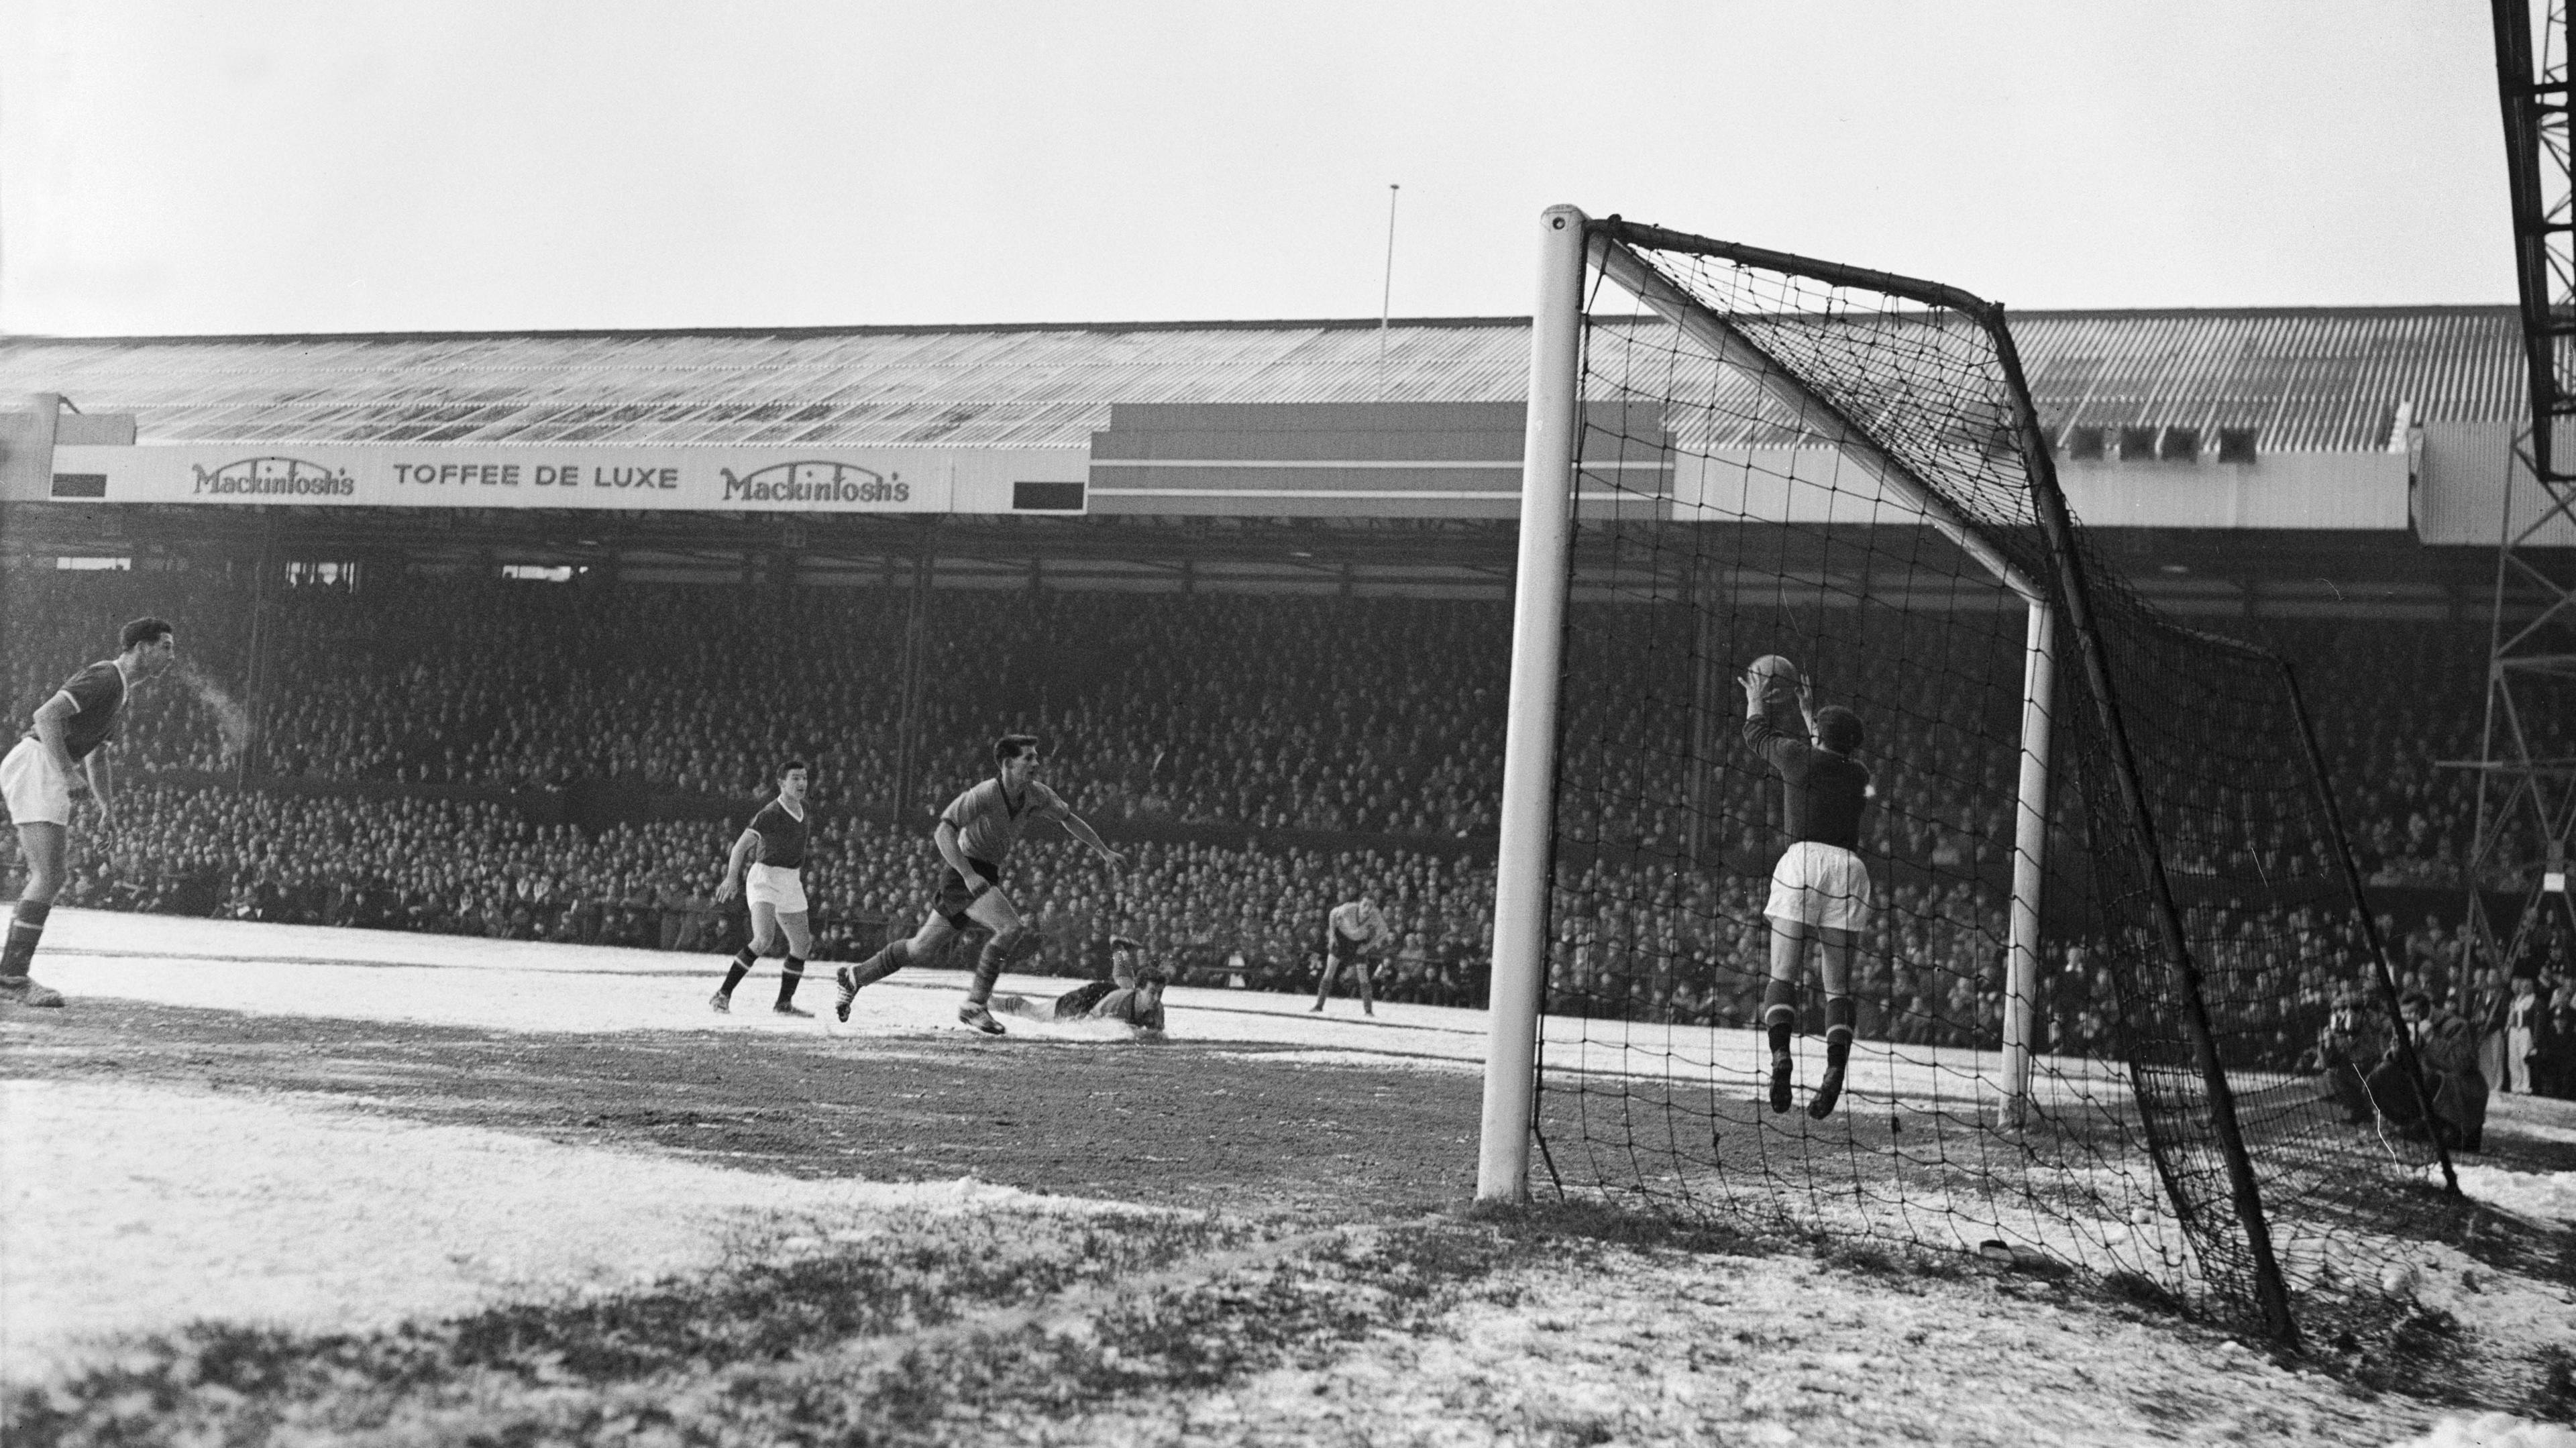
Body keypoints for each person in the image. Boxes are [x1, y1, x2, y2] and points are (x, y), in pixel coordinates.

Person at [835, 734, 1124, 1036]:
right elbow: (943, 832)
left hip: (983, 872)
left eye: (1036, 757)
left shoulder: (1036, 794)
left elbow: (1068, 818)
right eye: (1029, 758)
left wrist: (1103, 850)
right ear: (1008, 764)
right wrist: (969, 874)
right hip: (966, 871)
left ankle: (856, 976)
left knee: (921, 949)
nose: (1037, 763)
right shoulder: (984, 794)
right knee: (1011, 928)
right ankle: (975, 1005)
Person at [1, 616, 178, 1007]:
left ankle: (10, 974)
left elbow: (98, 759)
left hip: (44, 763)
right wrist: (66, 770)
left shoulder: (122, 693)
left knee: (49, 874)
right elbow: (45, 716)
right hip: (39, 760)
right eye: (165, 646)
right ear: (141, 647)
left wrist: (107, 811)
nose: (171, 656)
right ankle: (11, 977)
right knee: (48, 873)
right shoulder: (106, 677)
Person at [1741, 664, 1874, 1119]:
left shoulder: (1797, 757)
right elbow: (1829, 752)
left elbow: (1755, 734)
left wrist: (1756, 698)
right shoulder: (1858, 773)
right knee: (1837, 984)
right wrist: (1810, 715)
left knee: (1784, 972)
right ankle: (1834, 1068)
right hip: (1848, 869)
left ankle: (1781, 1056)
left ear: (1817, 733)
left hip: (1802, 863)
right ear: (1853, 744)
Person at [710, 761, 820, 1015]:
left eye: (804, 778)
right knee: (763, 939)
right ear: (781, 783)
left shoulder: (804, 811)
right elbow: (740, 847)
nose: (802, 783)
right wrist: (731, 878)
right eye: (795, 778)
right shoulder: (770, 813)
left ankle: (783, 1003)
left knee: (802, 946)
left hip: (791, 880)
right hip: (765, 878)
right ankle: (722, 994)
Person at [2367, 989, 2490, 1153]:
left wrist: (2431, 1039)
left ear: (2422, 1012)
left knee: (2435, 1078)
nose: (2406, 1019)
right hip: (2429, 1097)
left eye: (2410, 1014)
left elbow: (2460, 1063)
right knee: (2382, 1074)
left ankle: (2444, 1130)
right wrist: (2395, 1054)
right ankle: (2409, 1124)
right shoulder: (2408, 1027)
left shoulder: (2455, 1025)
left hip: (2460, 1103)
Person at [1313, 891, 1394, 1016]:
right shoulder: (1348, 908)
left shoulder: (1376, 916)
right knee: (1329, 971)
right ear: (1359, 903)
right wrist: (1332, 936)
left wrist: (1367, 946)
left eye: (1371, 906)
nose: (1367, 908)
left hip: (1359, 943)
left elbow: (1383, 932)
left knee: (1363, 975)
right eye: (1365, 905)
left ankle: (1368, 1011)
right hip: (1342, 939)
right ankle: (1319, 1006)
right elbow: (1332, 914)